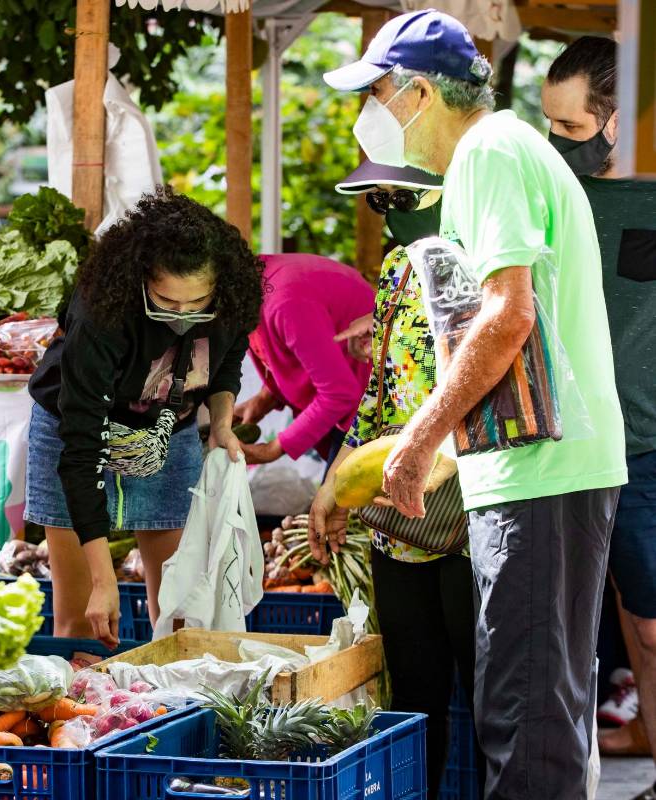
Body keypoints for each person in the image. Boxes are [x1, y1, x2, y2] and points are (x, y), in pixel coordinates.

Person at [324, 10, 626, 799]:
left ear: (417, 93)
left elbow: (508, 313)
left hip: (542, 475)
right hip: (533, 472)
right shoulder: (493, 156)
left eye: (376, 94)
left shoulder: (490, 149)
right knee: (529, 717)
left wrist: (419, 439)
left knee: (524, 728)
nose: (368, 117)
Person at [310, 161, 484, 799]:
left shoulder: (487, 259)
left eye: (401, 195)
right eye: (379, 199)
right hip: (396, 521)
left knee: (493, 703)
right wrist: (336, 479)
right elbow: (379, 391)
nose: (389, 209)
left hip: (474, 517)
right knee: (412, 700)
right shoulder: (395, 267)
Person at [26, 188, 263, 649]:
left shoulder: (232, 304)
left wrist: (220, 425)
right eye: (167, 303)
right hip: (75, 428)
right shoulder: (101, 311)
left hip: (167, 431)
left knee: (178, 616)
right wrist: (102, 579)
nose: (183, 316)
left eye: (197, 305)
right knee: (79, 624)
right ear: (138, 281)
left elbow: (227, 363)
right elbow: (81, 451)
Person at [544, 36, 656, 793]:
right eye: (549, 126)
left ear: (616, 123)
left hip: (647, 445)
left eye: (573, 131)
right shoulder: (552, 194)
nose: (557, 145)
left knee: (647, 621)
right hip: (575, 445)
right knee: (623, 620)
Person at [233, 254, 373, 468]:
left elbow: (339, 393)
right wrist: (265, 398)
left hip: (371, 411)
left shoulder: (285, 303)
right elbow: (296, 353)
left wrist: (273, 449)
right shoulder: (251, 288)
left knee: (333, 500)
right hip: (353, 406)